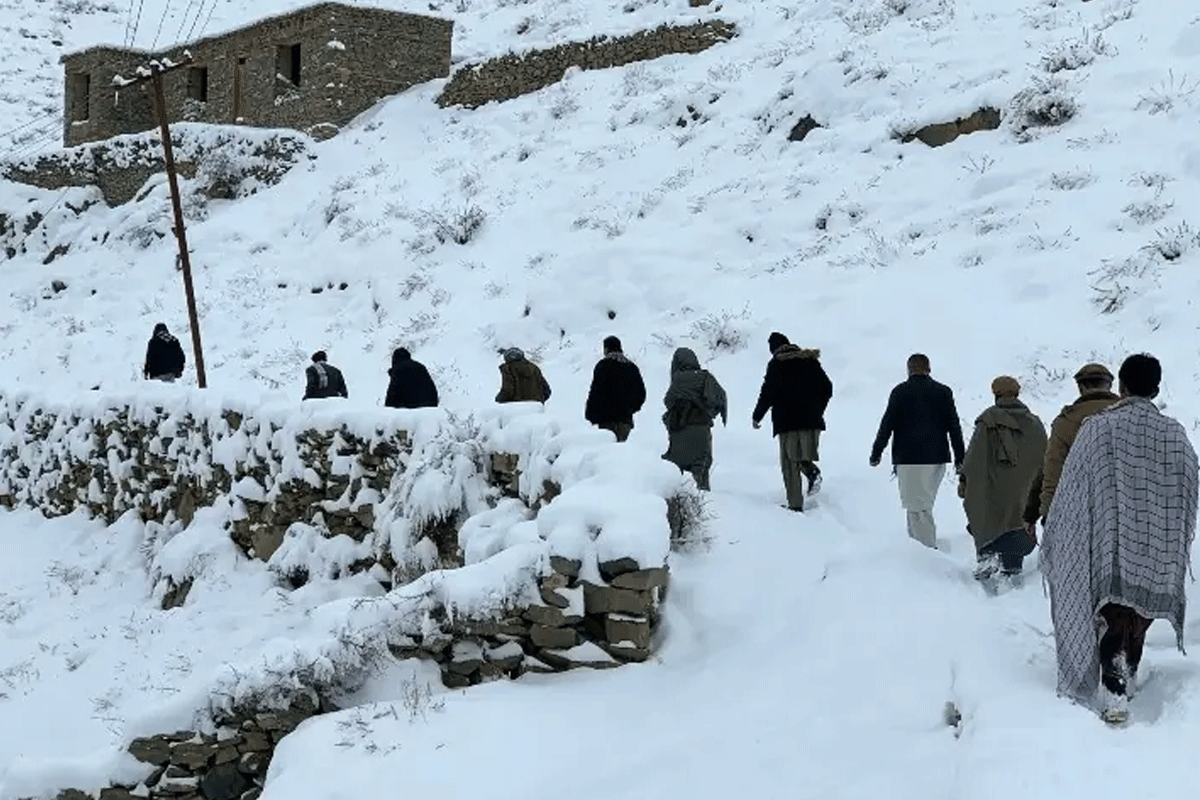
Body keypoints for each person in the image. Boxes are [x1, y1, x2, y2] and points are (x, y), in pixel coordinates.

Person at [1042, 354, 1198, 724]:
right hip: (1156, 543)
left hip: (1112, 540)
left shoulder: (1097, 428)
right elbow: (1190, 483)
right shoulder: (1175, 434)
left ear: (1122, 388)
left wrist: (1061, 529)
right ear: (1155, 390)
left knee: (1114, 613)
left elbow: (1072, 486)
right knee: (1137, 614)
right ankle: (1126, 671)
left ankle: (1115, 689)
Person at [869, 353, 965, 548]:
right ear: (929, 368)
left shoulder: (900, 392)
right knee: (921, 506)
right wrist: (960, 458)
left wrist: (876, 452)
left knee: (917, 509)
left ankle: (926, 553)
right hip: (937, 458)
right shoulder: (943, 392)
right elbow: (954, 426)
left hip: (909, 459)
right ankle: (916, 549)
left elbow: (887, 424)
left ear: (908, 370)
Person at [958, 376, 1047, 581]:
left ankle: (987, 555)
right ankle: (1012, 569)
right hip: (1024, 494)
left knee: (983, 511)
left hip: (993, 492)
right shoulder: (1034, 423)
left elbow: (974, 459)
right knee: (1017, 520)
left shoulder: (988, 421)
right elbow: (1044, 456)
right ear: (1017, 393)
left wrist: (965, 482)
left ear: (996, 394)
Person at [1023, 363, 1119, 536]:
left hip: (1077, 517)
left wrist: (1034, 515)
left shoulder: (1065, 422)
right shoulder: (1130, 418)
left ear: (1080, 387)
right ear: (1109, 385)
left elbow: (1050, 470)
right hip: (1125, 513)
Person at [751, 332, 833, 512]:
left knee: (789, 463)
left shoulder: (776, 364)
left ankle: (795, 504)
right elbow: (827, 388)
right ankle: (810, 471)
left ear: (774, 349)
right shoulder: (810, 361)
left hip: (787, 421)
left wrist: (757, 416)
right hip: (811, 421)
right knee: (802, 454)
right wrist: (817, 410)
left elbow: (767, 393)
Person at [662, 347, 727, 490]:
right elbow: (720, 398)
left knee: (675, 467)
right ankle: (703, 495)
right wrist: (709, 412)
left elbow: (668, 401)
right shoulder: (706, 377)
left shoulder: (678, 378)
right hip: (701, 430)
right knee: (701, 468)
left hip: (681, 429)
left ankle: (677, 498)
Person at [584, 336, 647, 442]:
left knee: (607, 448)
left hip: (606, 419)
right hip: (625, 419)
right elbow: (641, 394)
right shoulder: (631, 368)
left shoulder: (603, 366)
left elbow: (596, 392)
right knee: (621, 449)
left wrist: (591, 414)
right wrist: (630, 409)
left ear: (607, 349)